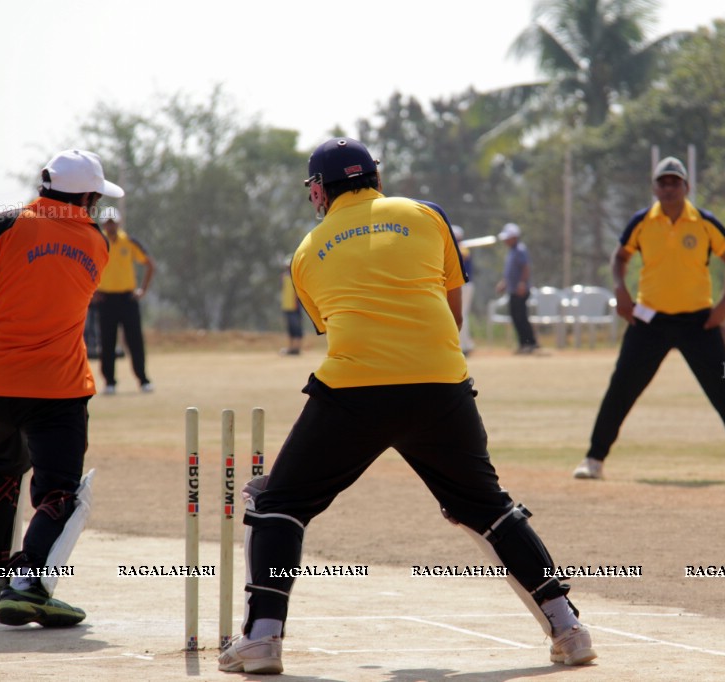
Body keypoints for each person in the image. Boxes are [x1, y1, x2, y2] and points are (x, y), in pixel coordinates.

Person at [218, 137, 596, 675]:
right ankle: (569, 629)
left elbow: (336, 327)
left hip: (353, 390)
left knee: (277, 505)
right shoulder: (428, 216)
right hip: (441, 385)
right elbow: (453, 315)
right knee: (487, 507)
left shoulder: (306, 252)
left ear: (320, 190)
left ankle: (261, 638)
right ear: (375, 176)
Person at [0, 149, 121, 626]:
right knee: (60, 491)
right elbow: (31, 266)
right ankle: (27, 586)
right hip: (59, 386)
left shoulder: (1, 226)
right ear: (87, 197)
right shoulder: (96, 243)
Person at [572, 156, 725, 483]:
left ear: (686, 187)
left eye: (674, 182)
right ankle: (594, 459)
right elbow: (620, 256)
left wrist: (723, 306)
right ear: (654, 187)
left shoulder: (704, 222)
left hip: (700, 323)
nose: (668, 188)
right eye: (662, 182)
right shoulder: (642, 221)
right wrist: (621, 289)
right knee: (621, 387)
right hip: (650, 321)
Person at [95, 206, 155, 393]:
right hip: (106, 299)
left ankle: (143, 379)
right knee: (107, 342)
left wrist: (142, 290)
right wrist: (92, 291)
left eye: (113, 223)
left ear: (118, 223)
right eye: (107, 223)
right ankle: (110, 382)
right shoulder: (98, 242)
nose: (110, 226)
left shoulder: (129, 242)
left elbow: (150, 264)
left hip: (127, 298)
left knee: (134, 340)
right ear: (103, 224)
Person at [496, 222, 539, 354]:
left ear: (514, 237)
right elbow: (511, 272)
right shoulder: (512, 251)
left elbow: (525, 268)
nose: (505, 241)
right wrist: (504, 283)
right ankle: (523, 343)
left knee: (521, 316)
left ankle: (530, 343)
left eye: (507, 238)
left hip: (520, 290)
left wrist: (522, 283)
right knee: (515, 317)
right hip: (513, 289)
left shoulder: (520, 250)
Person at [452, 225, 475, 355]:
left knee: (461, 314)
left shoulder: (463, 249)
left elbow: (462, 255)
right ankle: (465, 344)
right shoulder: (460, 248)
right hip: (462, 285)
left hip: (464, 285)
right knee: (461, 314)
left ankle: (464, 346)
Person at [279, 259, 304, 355]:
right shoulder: (284, 277)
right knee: (290, 328)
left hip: (296, 306)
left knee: (297, 328)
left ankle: (297, 348)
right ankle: (291, 348)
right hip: (287, 306)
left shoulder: (297, 277)